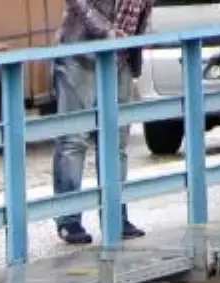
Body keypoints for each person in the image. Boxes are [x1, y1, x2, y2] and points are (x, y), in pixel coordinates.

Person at [50, 0, 150, 246]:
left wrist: (135, 47)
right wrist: (105, 30)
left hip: (121, 56)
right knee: (74, 140)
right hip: (81, 55)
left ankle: (115, 216)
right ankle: (69, 220)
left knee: (115, 143)